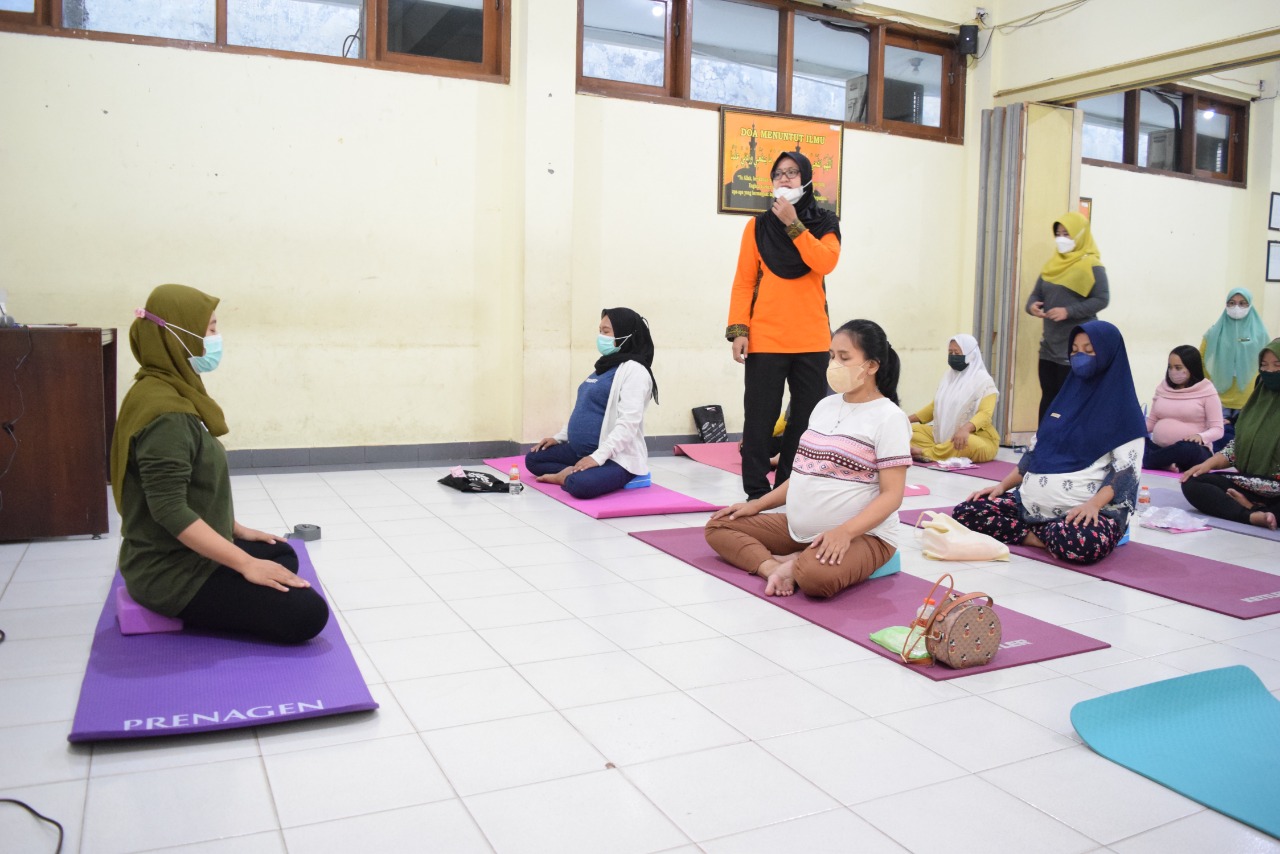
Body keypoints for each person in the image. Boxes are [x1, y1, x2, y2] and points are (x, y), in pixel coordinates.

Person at [110, 284, 329, 643]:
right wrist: (245, 563)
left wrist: (236, 528)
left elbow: (186, 486)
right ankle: (179, 606)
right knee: (307, 615)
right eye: (210, 329)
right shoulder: (167, 415)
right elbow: (168, 508)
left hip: (169, 551)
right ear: (179, 335)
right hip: (167, 572)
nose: (216, 338)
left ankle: (225, 578)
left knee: (282, 554)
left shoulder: (159, 385)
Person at [705, 320, 909, 598]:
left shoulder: (889, 417)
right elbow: (802, 474)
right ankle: (775, 566)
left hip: (863, 535)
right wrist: (757, 505)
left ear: (871, 366)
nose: (834, 364)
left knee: (815, 579)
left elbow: (892, 496)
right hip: (798, 528)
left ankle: (799, 563)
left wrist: (845, 533)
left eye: (844, 358)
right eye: (832, 356)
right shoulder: (824, 407)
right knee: (720, 524)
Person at [952, 320, 1144, 565]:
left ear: (1108, 355)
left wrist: (1093, 505)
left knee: (1083, 543)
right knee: (967, 511)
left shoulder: (1124, 411)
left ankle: (1038, 534)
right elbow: (1034, 453)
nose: (1079, 356)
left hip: (1085, 512)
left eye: (1089, 350)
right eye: (1074, 350)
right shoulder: (1064, 399)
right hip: (1030, 506)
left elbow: (1126, 472)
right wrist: (1001, 487)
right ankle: (1041, 537)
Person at [726, 150, 841, 501]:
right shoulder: (756, 227)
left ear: (806, 178)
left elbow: (824, 262)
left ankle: (788, 491)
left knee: (804, 424)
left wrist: (794, 224)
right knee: (760, 421)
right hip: (767, 339)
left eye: (792, 173)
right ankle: (756, 493)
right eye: (778, 174)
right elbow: (744, 281)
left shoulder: (825, 223)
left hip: (812, 340)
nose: (785, 179)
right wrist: (739, 330)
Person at [527, 308, 658, 499]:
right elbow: (584, 409)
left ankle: (570, 476)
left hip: (615, 458)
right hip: (580, 450)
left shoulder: (635, 371)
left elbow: (628, 425)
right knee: (534, 459)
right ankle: (577, 469)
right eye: (600, 331)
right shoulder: (605, 366)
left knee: (580, 485)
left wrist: (596, 458)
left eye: (606, 332)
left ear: (625, 334)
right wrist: (559, 437)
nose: (600, 337)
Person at [1180, 338, 1280, 530]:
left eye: (1277, 365)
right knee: (1192, 482)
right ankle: (1251, 515)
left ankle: (1256, 509)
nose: (1270, 371)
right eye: (1264, 366)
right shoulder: (1258, 401)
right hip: (1253, 483)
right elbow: (1236, 448)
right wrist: (1205, 465)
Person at [1026, 212, 1110, 424]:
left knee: (1071, 400)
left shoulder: (1092, 265)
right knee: (1049, 396)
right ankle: (1043, 442)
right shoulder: (1052, 264)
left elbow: (1102, 299)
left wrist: (1068, 311)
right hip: (1049, 346)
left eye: (1067, 233)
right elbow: (1036, 294)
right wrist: (1032, 306)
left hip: (1077, 347)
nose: (1061, 238)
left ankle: (1067, 445)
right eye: (1058, 233)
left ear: (1080, 235)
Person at [908, 333, 1001, 463]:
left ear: (971, 354)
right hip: (944, 436)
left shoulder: (984, 381)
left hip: (977, 438)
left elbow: (985, 414)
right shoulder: (948, 377)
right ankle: (940, 450)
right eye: (950, 353)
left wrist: (965, 429)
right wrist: (905, 420)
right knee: (909, 431)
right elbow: (934, 407)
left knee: (967, 442)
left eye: (957, 353)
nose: (953, 357)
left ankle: (925, 452)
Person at [1201, 288, 1269, 451]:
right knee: (1217, 439)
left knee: (1243, 441)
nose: (1236, 307)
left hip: (1249, 397)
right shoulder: (1214, 332)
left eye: (1242, 303)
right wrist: (1206, 386)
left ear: (1249, 305)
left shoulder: (1260, 334)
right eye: (1231, 303)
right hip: (1218, 396)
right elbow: (1201, 359)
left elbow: (1268, 364)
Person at [1143, 345, 1223, 472]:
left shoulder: (1207, 391)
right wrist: (1133, 434)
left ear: (1192, 367)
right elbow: (1151, 422)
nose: (1173, 371)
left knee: (1186, 448)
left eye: (1178, 368)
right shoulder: (1162, 389)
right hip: (1159, 449)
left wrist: (1201, 436)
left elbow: (1218, 430)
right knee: (1137, 441)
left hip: (1192, 451)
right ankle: (1162, 462)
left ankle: (1148, 461)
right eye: (1170, 367)